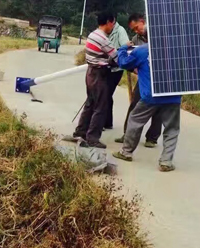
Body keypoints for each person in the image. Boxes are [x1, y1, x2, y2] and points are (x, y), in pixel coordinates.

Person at [112, 42, 181, 172]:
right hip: (173, 96)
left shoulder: (142, 51)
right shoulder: (178, 49)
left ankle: (126, 152)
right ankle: (166, 161)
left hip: (151, 96)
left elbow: (124, 63)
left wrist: (122, 49)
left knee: (135, 120)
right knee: (172, 129)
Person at [68, 12, 117, 149]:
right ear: (108, 22)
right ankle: (92, 138)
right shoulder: (104, 39)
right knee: (101, 107)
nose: (112, 26)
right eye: (113, 23)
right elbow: (116, 57)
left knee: (90, 104)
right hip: (99, 74)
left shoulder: (92, 34)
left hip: (90, 73)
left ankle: (80, 132)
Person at [115, 13, 162, 148]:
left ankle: (152, 138)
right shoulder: (135, 40)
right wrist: (133, 69)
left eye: (137, 27)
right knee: (135, 105)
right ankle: (127, 134)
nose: (136, 31)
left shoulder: (157, 33)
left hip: (160, 77)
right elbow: (130, 59)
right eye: (133, 30)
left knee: (158, 108)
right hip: (144, 78)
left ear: (142, 21)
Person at [105, 16, 129, 129]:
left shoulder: (120, 31)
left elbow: (126, 46)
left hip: (116, 69)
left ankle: (105, 122)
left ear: (112, 21)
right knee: (104, 94)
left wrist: (115, 56)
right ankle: (107, 122)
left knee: (106, 93)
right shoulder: (106, 30)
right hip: (105, 67)